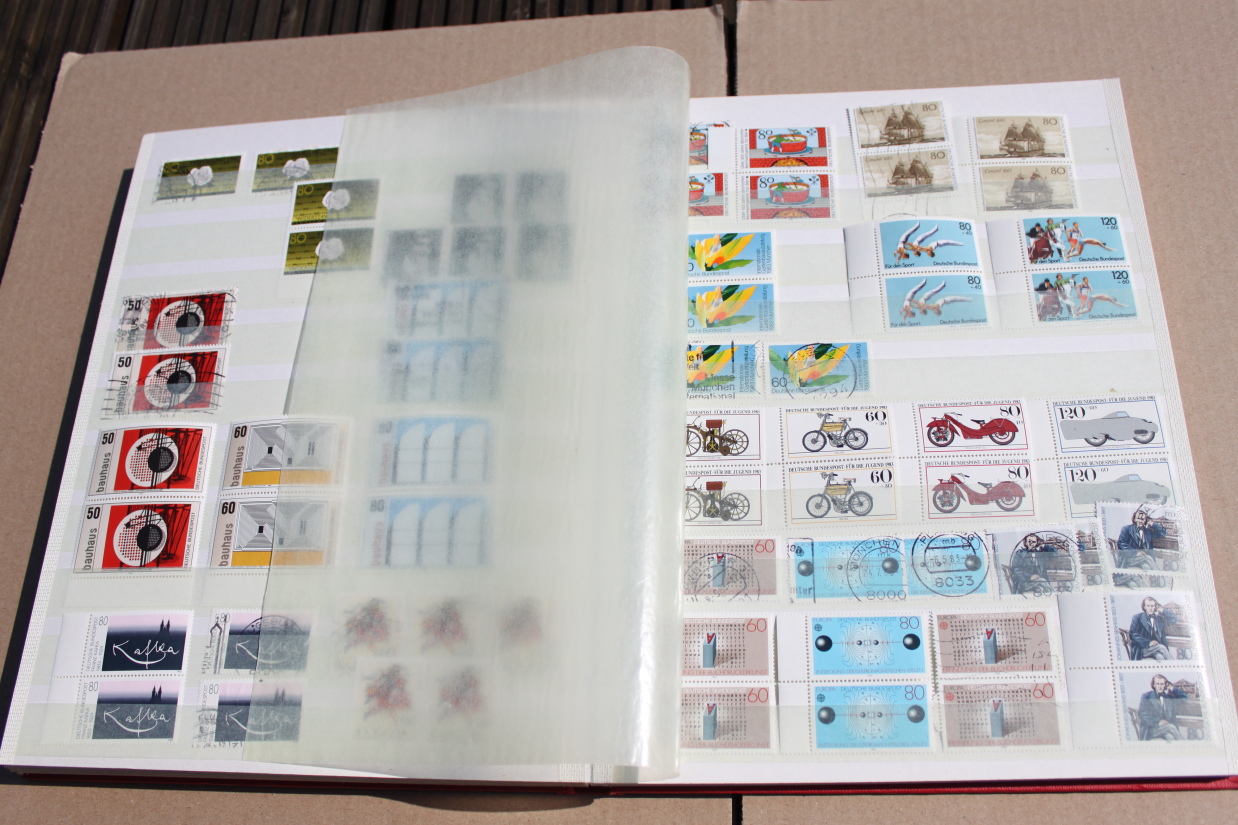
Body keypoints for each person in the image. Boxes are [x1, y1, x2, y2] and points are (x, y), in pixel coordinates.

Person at [1137, 674, 1188, 740]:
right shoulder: (1146, 696)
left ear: (1165, 685)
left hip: (1165, 728)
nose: (1160, 686)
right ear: (1154, 685)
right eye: (1157, 684)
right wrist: (1158, 722)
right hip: (1150, 729)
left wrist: (1172, 688)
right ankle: (1184, 744)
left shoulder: (1168, 697)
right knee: (1171, 727)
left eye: (1162, 684)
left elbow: (1184, 698)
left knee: (1170, 737)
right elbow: (1142, 714)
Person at [1128, 596, 1176, 660]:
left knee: (1160, 656)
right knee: (1161, 647)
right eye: (1148, 606)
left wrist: (1161, 610)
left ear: (1155, 607)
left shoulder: (1159, 619)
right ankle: (1173, 665)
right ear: (1144, 607)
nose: (1150, 608)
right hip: (1141, 649)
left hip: (1155, 649)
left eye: (1152, 606)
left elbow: (1173, 619)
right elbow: (1133, 634)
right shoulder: (1137, 617)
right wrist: (1148, 643)